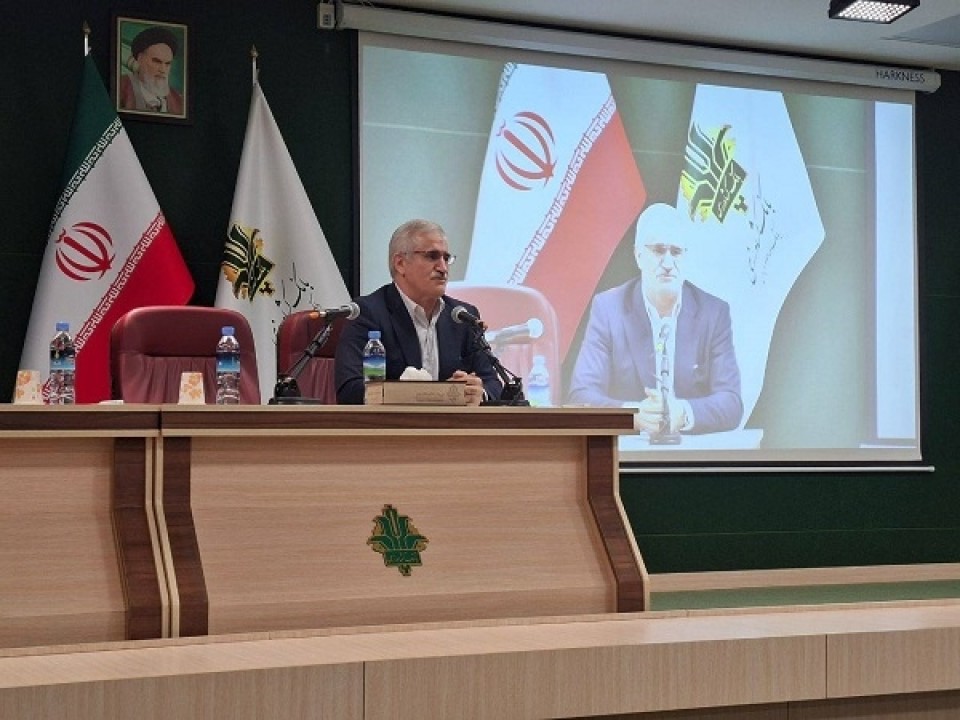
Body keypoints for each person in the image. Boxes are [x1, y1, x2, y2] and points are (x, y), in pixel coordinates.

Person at [568, 203, 742, 435]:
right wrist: (633, 416)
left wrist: (683, 413)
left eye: (676, 252)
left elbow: (731, 403)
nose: (668, 264)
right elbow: (581, 396)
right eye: (659, 251)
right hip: (628, 452)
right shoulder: (609, 309)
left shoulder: (713, 313)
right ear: (638, 256)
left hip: (692, 451)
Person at [334, 219, 503, 405]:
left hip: (452, 423)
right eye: (432, 256)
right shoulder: (368, 313)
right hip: (394, 423)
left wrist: (479, 392)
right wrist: (427, 394)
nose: (443, 268)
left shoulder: (462, 316)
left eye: (446, 258)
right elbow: (350, 390)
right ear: (400, 263)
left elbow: (493, 384)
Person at [118, 26, 184, 115]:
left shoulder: (179, 102)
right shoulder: (120, 87)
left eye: (167, 64)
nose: (163, 70)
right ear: (140, 59)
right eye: (157, 61)